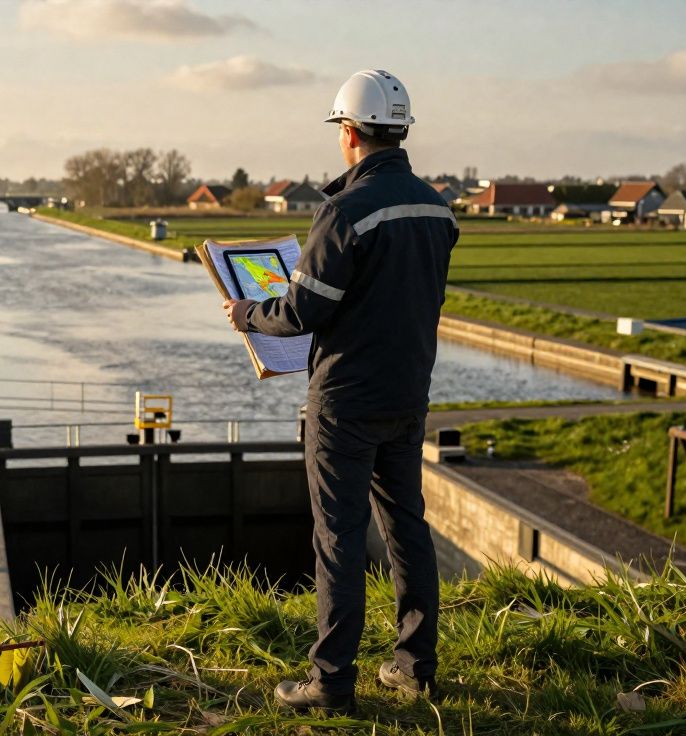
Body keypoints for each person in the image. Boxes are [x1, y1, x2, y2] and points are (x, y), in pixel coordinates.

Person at [222, 69, 458, 715]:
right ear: (400, 130)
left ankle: (330, 683)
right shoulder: (437, 207)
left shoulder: (344, 210)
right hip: (407, 395)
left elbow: (302, 311)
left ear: (349, 132)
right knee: (407, 529)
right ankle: (415, 667)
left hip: (346, 403)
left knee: (339, 539)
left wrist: (247, 314)